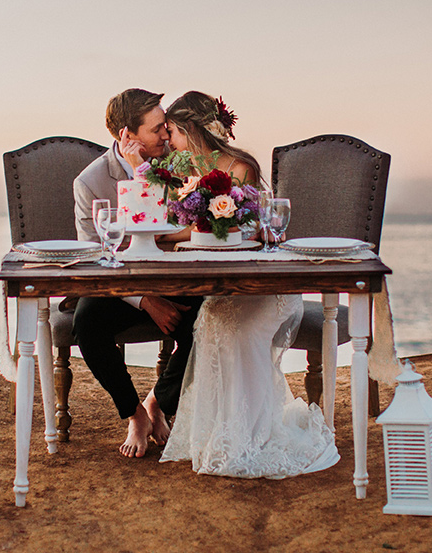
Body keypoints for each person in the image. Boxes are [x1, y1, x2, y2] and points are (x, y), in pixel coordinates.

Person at [158, 91, 340, 478]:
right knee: (211, 320)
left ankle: (252, 433)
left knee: (236, 328)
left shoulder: (241, 168)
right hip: (228, 289)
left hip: (265, 288)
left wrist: (173, 237)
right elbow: (196, 228)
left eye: (172, 131)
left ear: (190, 130)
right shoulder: (187, 171)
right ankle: (224, 431)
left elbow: (248, 232)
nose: (168, 140)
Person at [72, 88, 202, 458]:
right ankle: (134, 414)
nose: (166, 134)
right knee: (87, 324)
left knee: (211, 318)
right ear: (127, 136)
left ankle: (157, 403)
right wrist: (146, 301)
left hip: (174, 277)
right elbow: (97, 257)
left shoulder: (177, 163)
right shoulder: (91, 182)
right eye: (157, 128)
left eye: (166, 127)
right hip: (119, 290)